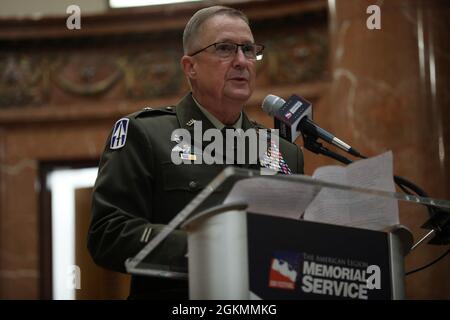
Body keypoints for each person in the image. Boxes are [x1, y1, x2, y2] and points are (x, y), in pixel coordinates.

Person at [87, 5, 304, 299]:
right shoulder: (147, 134)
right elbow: (108, 234)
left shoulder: (283, 152)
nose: (242, 61)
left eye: (249, 49)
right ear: (191, 67)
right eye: (225, 49)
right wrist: (207, 250)